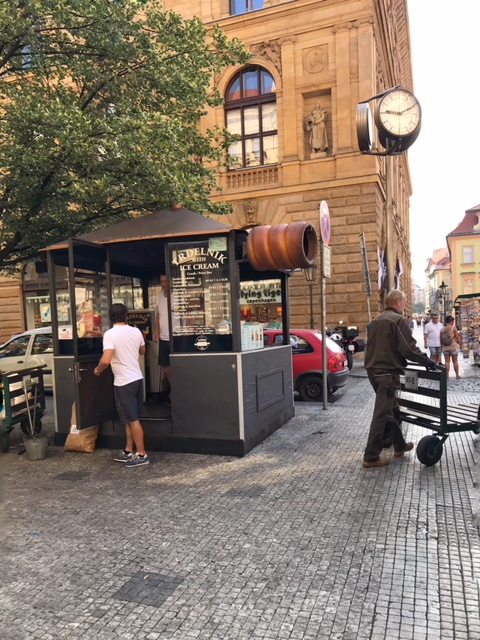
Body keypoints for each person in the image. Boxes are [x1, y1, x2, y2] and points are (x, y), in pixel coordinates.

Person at [363, 289, 439, 468]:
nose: (405, 306)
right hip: (387, 373)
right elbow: (409, 349)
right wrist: (427, 361)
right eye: (404, 302)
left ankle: (399, 445)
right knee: (381, 414)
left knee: (392, 408)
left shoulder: (375, 320)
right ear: (397, 302)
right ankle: (371, 456)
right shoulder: (398, 320)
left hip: (373, 371)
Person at [94, 303, 149, 468]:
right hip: (137, 379)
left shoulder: (110, 334)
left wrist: (98, 369)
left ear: (111, 317)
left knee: (132, 419)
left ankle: (142, 454)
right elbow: (143, 351)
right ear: (126, 316)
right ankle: (128, 450)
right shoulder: (136, 331)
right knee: (128, 418)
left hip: (123, 381)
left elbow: (106, 359)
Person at [154, 274, 171, 406]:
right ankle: (175, 389)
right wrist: (157, 331)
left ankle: (175, 391)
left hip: (176, 336)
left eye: (165, 281)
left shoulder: (178, 295)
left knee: (177, 365)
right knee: (165, 367)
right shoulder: (159, 296)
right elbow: (158, 315)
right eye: (161, 281)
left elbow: (188, 315)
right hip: (164, 337)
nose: (163, 284)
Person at [441, 315, 464, 379]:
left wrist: (441, 346)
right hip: (453, 347)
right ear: (451, 321)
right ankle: (457, 375)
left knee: (447, 362)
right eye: (453, 321)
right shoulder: (453, 328)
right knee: (455, 361)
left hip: (445, 347)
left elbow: (440, 338)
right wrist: (461, 344)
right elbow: (457, 337)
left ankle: (447, 376)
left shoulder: (442, 329)